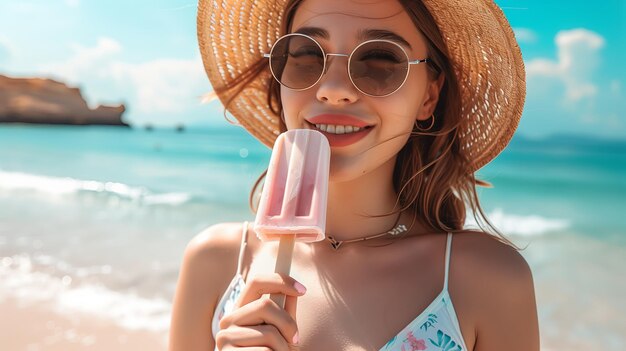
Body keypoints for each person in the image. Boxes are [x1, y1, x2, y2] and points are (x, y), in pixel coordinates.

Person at [169, 0, 540, 350]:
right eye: (307, 56)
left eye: (380, 61)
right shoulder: (216, 262)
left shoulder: (486, 282)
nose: (333, 90)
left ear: (429, 95)